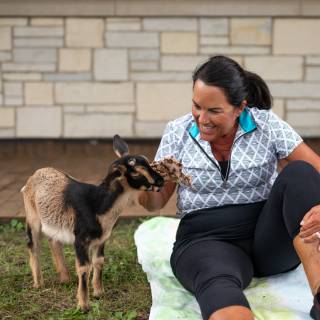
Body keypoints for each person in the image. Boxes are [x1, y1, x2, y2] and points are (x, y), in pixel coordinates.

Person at [138, 55, 320, 320]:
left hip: (267, 238)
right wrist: (151, 182)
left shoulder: (266, 125)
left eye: (214, 111)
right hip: (205, 241)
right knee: (218, 284)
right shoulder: (177, 132)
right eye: (196, 106)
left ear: (239, 108)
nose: (202, 118)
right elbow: (153, 204)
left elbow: (314, 171)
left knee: (300, 173)